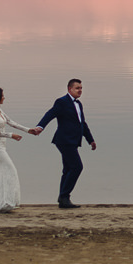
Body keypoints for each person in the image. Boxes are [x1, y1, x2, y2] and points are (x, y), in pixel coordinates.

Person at [29, 78, 96, 209]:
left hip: (73, 141)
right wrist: (40, 127)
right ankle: (64, 196)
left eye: (81, 88)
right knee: (77, 167)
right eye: (77, 88)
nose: (80, 90)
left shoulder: (79, 104)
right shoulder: (62, 102)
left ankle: (63, 199)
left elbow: (82, 123)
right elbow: (50, 114)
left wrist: (90, 140)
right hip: (64, 140)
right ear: (70, 89)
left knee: (68, 169)